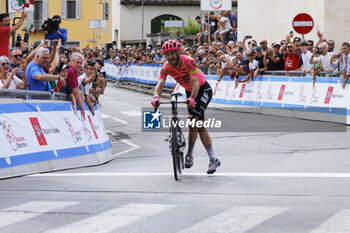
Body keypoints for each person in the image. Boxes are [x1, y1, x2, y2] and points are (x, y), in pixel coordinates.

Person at [151, 40, 221, 174]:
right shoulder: (166, 67)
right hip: (190, 92)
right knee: (194, 124)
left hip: (202, 89)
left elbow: (195, 81)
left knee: (195, 120)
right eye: (167, 55)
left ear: (178, 52)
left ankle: (194, 156)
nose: (170, 57)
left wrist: (192, 98)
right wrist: (156, 97)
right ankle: (207, 158)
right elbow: (160, 83)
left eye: (172, 54)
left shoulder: (189, 61)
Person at [66, 52, 86, 119]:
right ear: (71, 61)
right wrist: (82, 109)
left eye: (81, 63)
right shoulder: (70, 70)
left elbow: (77, 89)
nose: (79, 65)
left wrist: (81, 93)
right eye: (77, 62)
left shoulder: (74, 70)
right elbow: (75, 92)